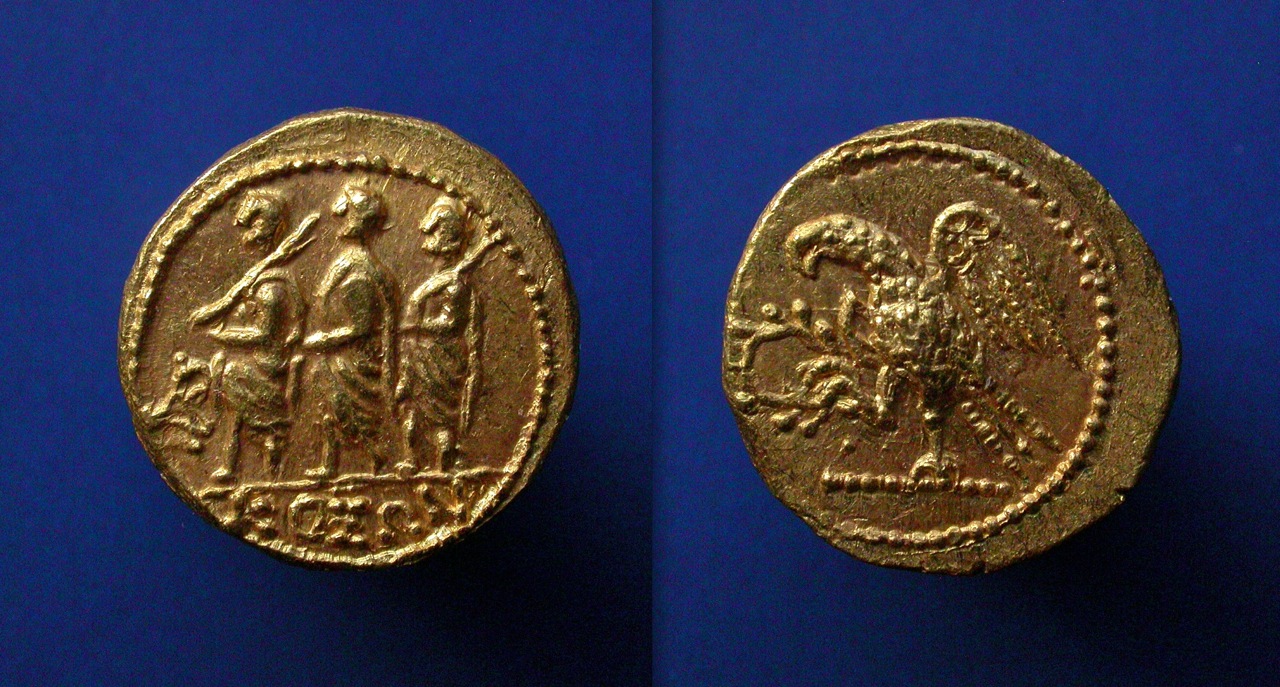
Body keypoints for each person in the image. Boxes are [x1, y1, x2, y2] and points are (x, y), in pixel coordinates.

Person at [191, 190, 304, 482]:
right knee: (234, 407)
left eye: (253, 225)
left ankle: (265, 457)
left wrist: (225, 336)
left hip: (269, 365)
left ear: (265, 230)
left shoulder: (270, 288)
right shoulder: (263, 278)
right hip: (258, 361)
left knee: (231, 377)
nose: (245, 234)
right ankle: (233, 463)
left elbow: (263, 334)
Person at [303, 183, 397, 478]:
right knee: (330, 410)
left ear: (358, 219)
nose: (337, 215)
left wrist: (324, 340)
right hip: (339, 357)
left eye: (346, 212)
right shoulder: (350, 263)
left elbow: (360, 327)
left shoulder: (361, 269)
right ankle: (330, 464)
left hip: (352, 359)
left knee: (348, 409)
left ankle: (376, 458)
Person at [395, 195, 488, 473]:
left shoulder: (456, 285)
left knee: (440, 415)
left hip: (442, 357)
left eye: (433, 232)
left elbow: (451, 324)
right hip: (418, 357)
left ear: (445, 239)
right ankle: (411, 459)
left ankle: (443, 462)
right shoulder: (440, 280)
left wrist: (415, 328)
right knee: (411, 408)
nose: (426, 237)